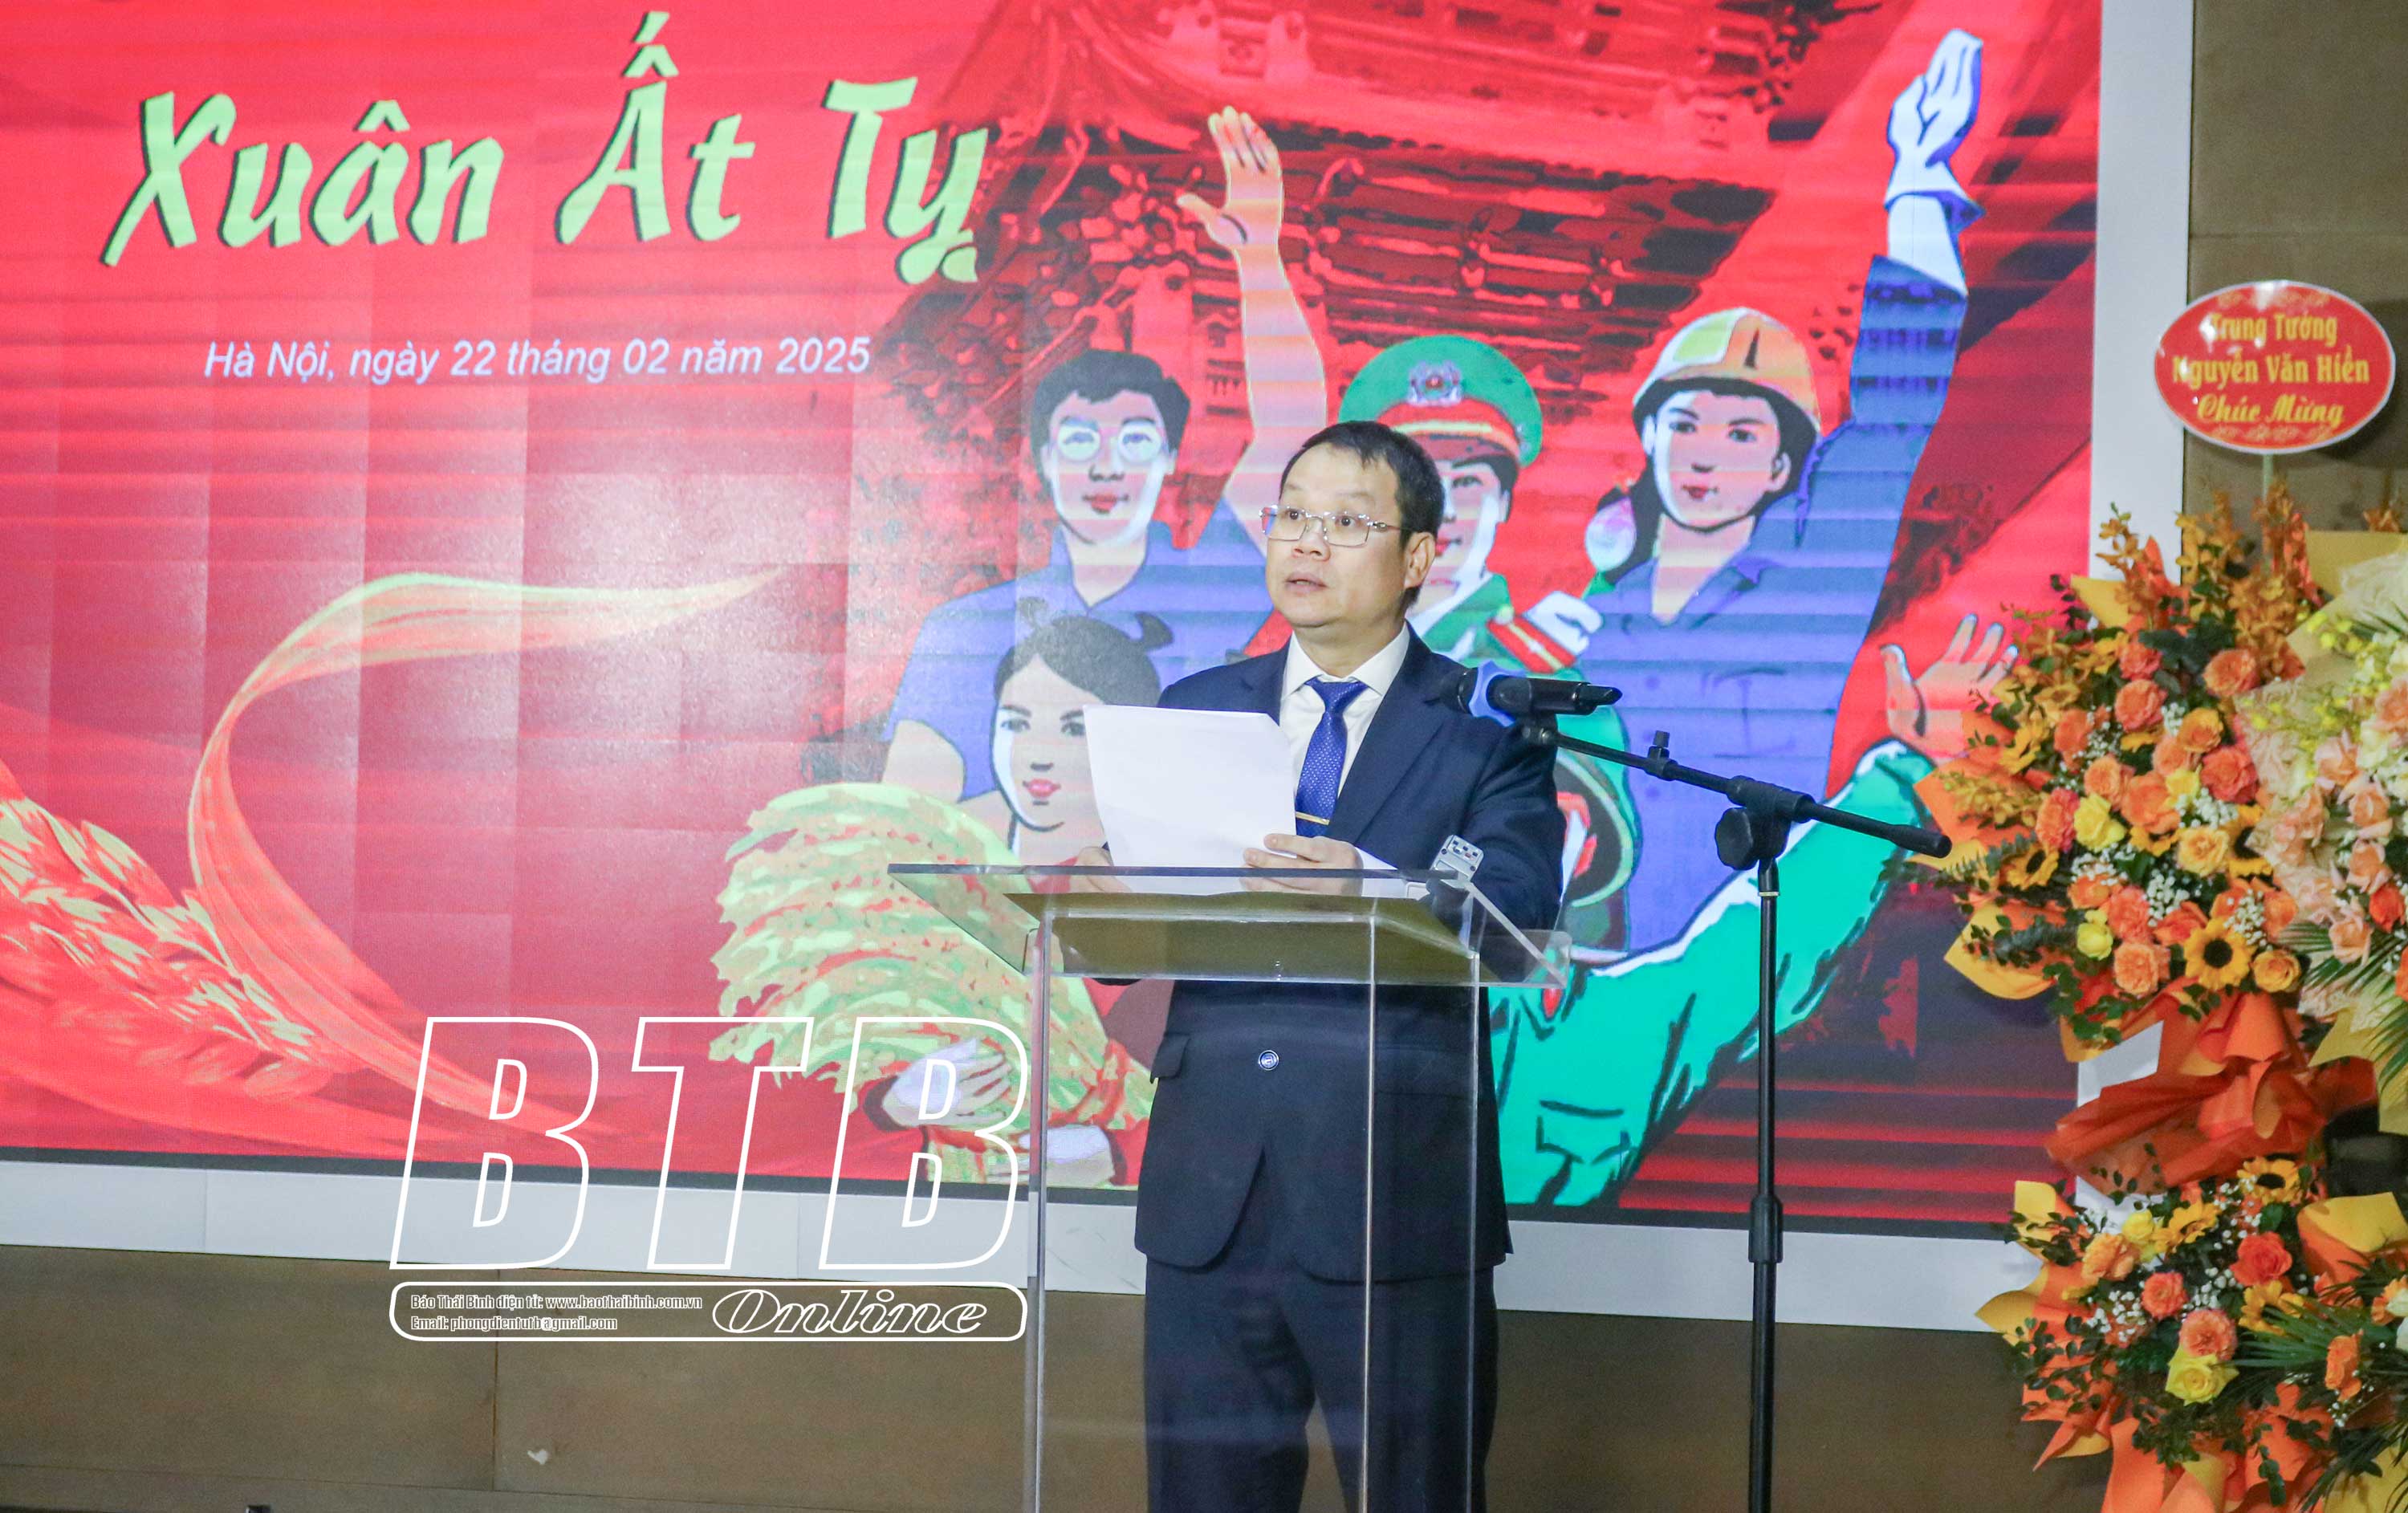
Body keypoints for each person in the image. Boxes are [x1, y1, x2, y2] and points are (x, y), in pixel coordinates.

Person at [1076, 420, 1562, 1513]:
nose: (1307, 542)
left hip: (1397, 1187)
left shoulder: (1488, 729)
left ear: (1420, 556)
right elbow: (1132, 938)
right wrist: (1108, 892)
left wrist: (1373, 887)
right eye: (1292, 515)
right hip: (1210, 1192)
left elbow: (1519, 916)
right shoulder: (1196, 708)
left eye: (1346, 523)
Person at [881, 107, 1323, 806]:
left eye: (1135, 441)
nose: (1107, 466)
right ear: (1043, 461)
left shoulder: (1210, 589)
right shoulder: (967, 628)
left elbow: (1293, 435)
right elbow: (911, 825)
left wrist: (1260, 258)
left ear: (1170, 458)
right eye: (1080, 441)